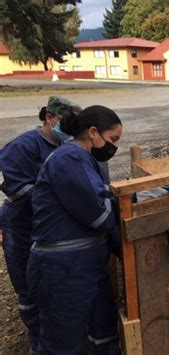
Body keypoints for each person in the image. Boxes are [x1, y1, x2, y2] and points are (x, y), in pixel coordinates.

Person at [27, 105, 122, 354]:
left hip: (82, 267)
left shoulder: (83, 159)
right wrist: (129, 203)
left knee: (103, 332)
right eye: (113, 139)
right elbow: (101, 215)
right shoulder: (69, 159)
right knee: (60, 344)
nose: (114, 146)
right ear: (93, 132)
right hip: (63, 271)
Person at [0, 96, 80, 353]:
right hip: (22, 230)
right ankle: (38, 344)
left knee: (53, 289)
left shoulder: (69, 147)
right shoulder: (23, 147)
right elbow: (18, 192)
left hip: (51, 230)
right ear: (49, 117)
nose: (68, 130)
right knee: (28, 290)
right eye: (64, 123)